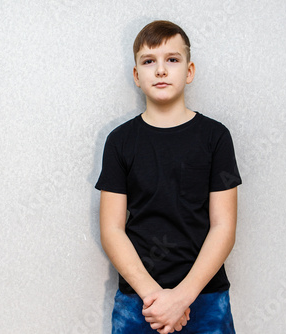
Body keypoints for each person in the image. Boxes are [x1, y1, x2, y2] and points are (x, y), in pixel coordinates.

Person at [95, 20, 242, 334]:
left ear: (189, 71)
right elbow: (111, 229)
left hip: (205, 297)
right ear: (137, 75)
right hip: (140, 302)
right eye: (149, 61)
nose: (160, 70)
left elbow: (224, 226)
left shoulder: (216, 137)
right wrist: (154, 297)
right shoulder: (119, 141)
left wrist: (182, 298)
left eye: (172, 59)